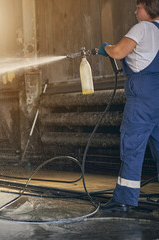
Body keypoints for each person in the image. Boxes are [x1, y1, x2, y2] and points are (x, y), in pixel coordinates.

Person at [98, 0, 159, 212]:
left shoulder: (143, 27)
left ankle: (124, 199)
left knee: (132, 146)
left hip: (143, 97)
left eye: (139, 7)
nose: (135, 11)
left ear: (150, 9)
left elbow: (118, 52)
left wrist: (106, 48)